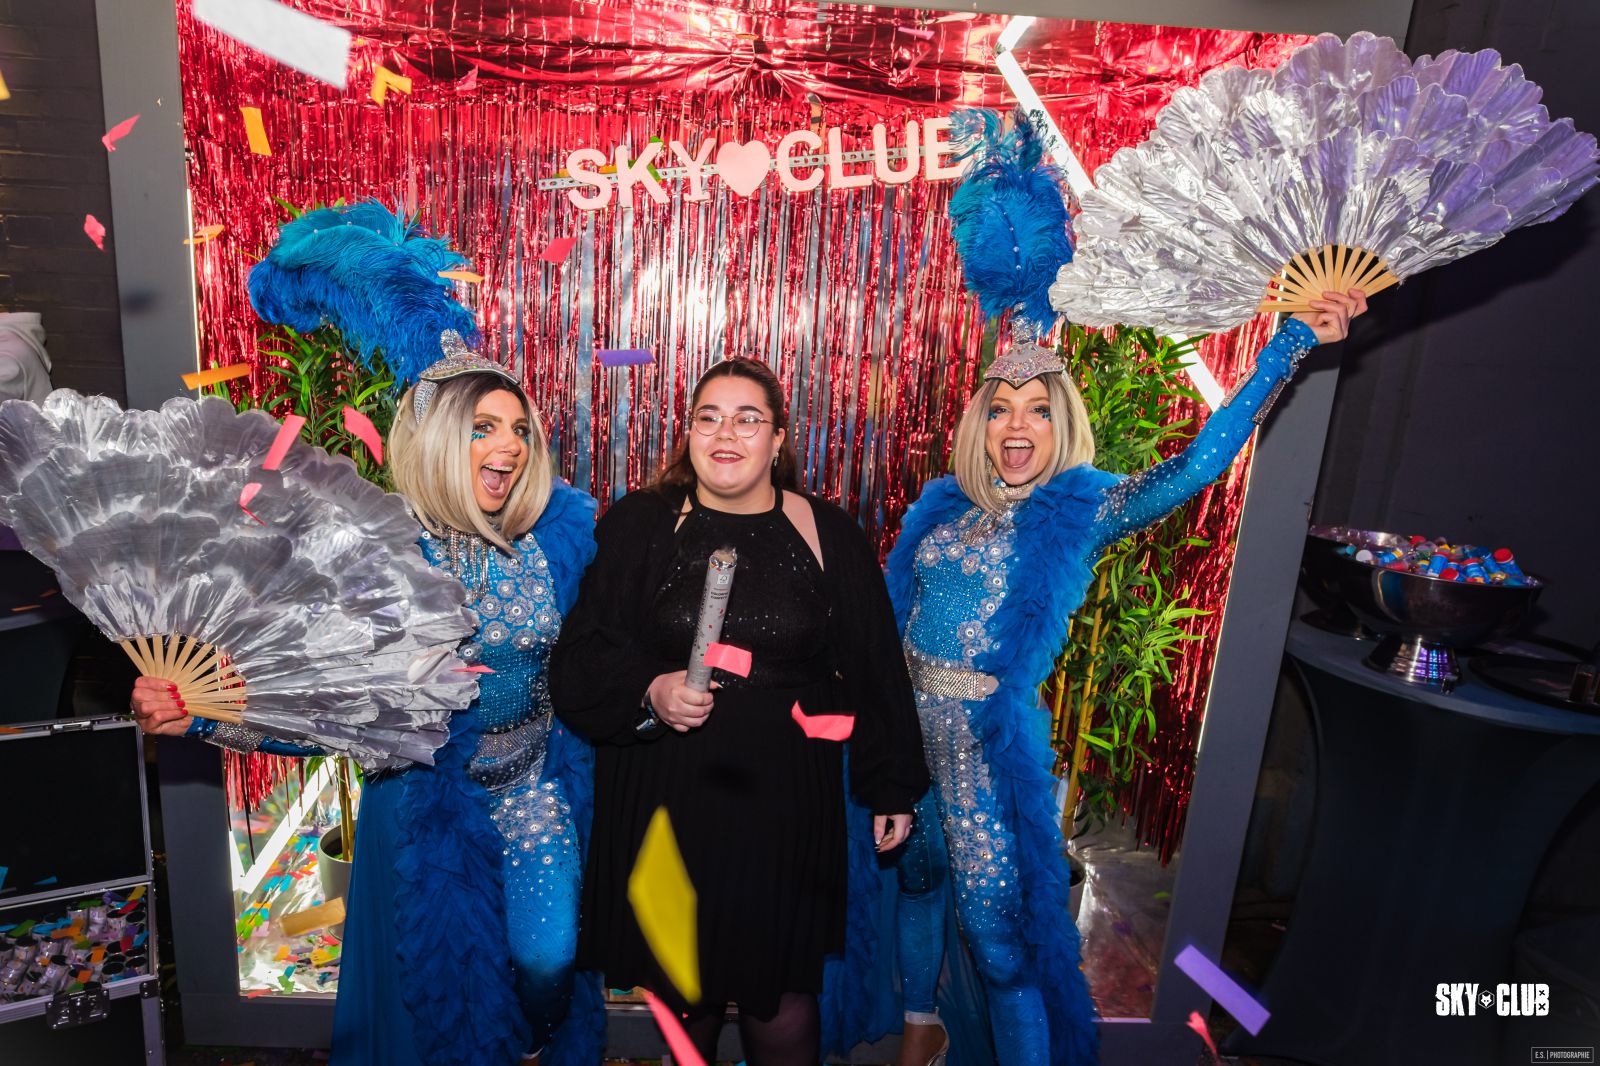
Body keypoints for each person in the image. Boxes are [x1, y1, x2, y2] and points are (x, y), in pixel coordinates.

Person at [888, 292, 1369, 1066]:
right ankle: (921, 1025)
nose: (1016, 427)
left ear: (1063, 425)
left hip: (982, 752)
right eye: (1001, 409)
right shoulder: (942, 509)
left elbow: (1198, 465)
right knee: (915, 877)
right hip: (905, 735)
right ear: (979, 424)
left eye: (1038, 410)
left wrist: (1288, 346)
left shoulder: (1078, 513)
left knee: (998, 940)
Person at [130, 334, 603, 1066]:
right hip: (425, 804)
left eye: (518, 428)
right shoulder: (380, 558)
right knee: (441, 999)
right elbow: (327, 711)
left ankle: (530, 1046)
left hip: (535, 788)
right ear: (438, 438)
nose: (509, 445)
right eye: (482, 427)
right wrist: (201, 716)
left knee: (549, 960)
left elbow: (605, 649)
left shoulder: (555, 539)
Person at [547, 357, 928, 1066]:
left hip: (782, 803)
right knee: (683, 991)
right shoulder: (641, 523)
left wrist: (892, 784)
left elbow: (876, 664)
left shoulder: (826, 532)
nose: (726, 434)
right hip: (665, 792)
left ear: (779, 438)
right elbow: (580, 658)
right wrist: (651, 689)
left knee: (777, 994)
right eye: (709, 417)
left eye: (748, 419)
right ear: (688, 432)